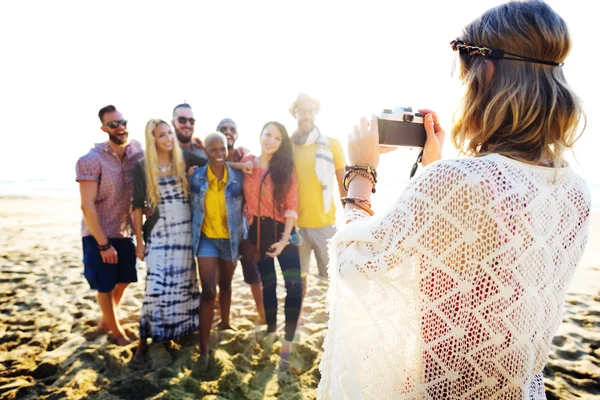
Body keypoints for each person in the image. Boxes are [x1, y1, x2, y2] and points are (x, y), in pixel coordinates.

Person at [318, 1, 590, 399]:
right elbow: (481, 257)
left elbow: (355, 264)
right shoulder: (574, 189)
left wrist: (360, 173)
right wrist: (433, 167)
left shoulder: (460, 182)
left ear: (488, 72)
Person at [132, 119, 208, 361]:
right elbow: (136, 207)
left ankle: (181, 333)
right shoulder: (143, 166)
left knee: (184, 283)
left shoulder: (183, 157)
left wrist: (198, 167)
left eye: (169, 133)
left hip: (185, 230)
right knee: (155, 285)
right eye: (161, 135)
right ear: (152, 139)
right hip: (158, 233)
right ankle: (143, 340)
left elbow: (215, 165)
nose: (167, 139)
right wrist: (139, 243)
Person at [76, 105, 143, 346]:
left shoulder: (137, 153)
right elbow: (87, 205)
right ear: (104, 128)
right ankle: (116, 332)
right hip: (98, 233)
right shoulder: (91, 160)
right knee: (104, 285)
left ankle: (106, 319)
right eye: (113, 124)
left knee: (125, 279)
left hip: (124, 231)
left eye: (122, 121)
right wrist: (103, 245)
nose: (120, 127)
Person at [243, 121, 301, 359]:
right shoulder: (248, 162)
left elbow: (292, 207)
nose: (271, 141)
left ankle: (288, 340)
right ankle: (271, 331)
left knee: (294, 286)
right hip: (258, 231)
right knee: (268, 285)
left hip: (284, 231)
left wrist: (284, 240)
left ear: (281, 143)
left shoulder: (286, 169)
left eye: (277, 138)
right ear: (260, 135)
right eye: (268, 135)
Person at [189, 132, 246, 371]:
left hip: (231, 239)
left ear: (227, 148)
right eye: (213, 150)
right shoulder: (196, 178)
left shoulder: (239, 178)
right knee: (208, 290)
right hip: (206, 240)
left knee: (226, 283)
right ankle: (203, 347)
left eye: (221, 148)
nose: (218, 154)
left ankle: (225, 323)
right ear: (206, 152)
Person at [289, 93, 346, 302]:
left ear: (315, 113)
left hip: (325, 225)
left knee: (335, 281)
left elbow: (343, 184)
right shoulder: (288, 145)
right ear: (295, 113)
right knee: (298, 281)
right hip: (297, 228)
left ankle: (338, 327)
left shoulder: (332, 144)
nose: (306, 116)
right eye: (301, 111)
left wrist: (351, 220)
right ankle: (296, 323)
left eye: (310, 111)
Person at [216, 117, 265, 323]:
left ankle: (263, 317)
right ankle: (224, 321)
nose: (228, 132)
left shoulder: (243, 152)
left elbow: (251, 165)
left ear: (236, 134)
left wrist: (234, 164)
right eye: (223, 128)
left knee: (254, 274)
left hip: (244, 226)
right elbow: (209, 164)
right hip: (218, 229)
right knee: (224, 279)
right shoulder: (208, 153)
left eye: (232, 129)